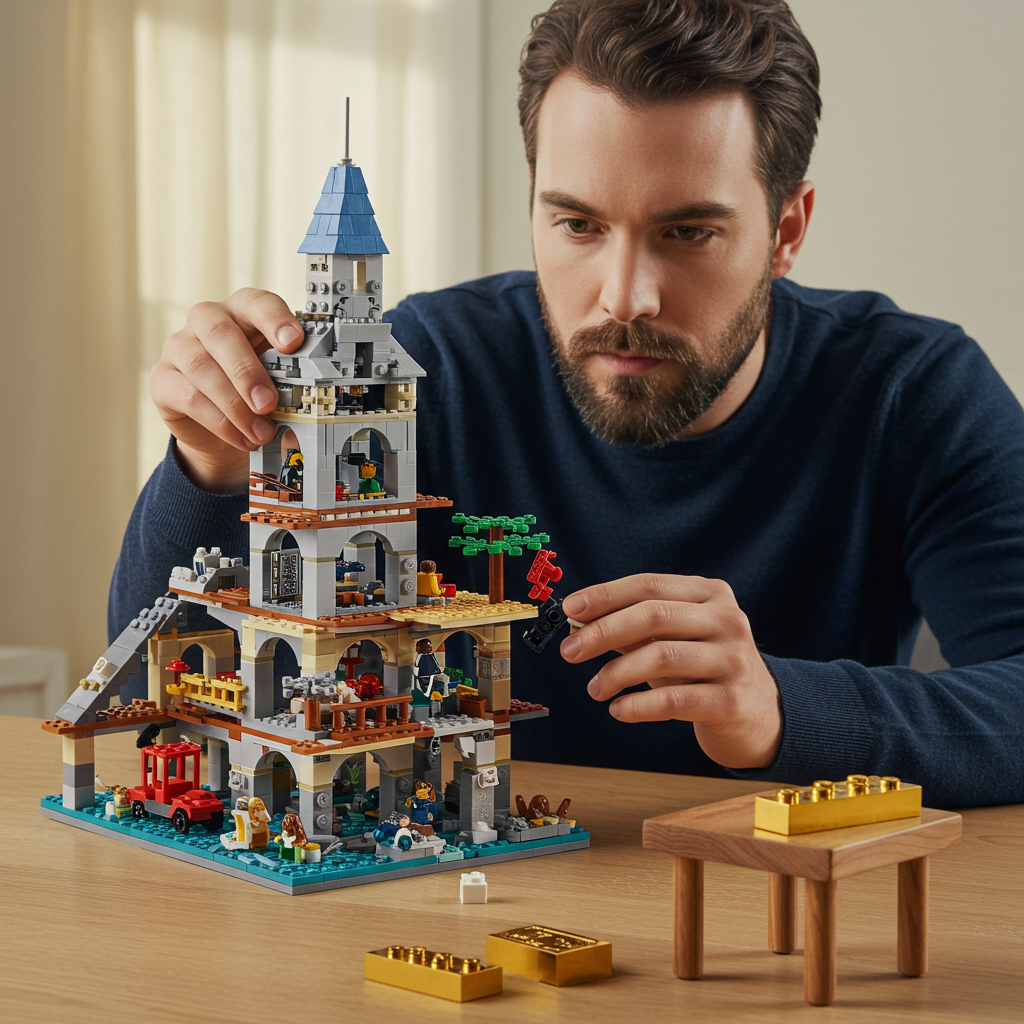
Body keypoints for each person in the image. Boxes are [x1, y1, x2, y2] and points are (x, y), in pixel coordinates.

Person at [113, 0, 1024, 808]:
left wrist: (781, 707)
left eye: (689, 231)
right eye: (579, 224)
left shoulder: (915, 392)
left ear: (786, 230)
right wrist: (214, 467)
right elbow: (151, 692)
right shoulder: (422, 370)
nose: (624, 296)